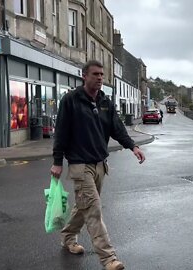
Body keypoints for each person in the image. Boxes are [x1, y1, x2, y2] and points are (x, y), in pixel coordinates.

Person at [50, 60, 145, 270]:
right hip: (80, 165)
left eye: (102, 74)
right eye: (95, 74)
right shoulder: (71, 100)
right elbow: (62, 132)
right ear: (84, 76)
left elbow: (117, 129)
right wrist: (57, 162)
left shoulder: (105, 102)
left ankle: (67, 237)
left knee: (82, 207)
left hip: (100, 165)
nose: (100, 78)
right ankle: (108, 258)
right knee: (93, 210)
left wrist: (133, 147)